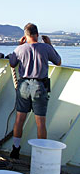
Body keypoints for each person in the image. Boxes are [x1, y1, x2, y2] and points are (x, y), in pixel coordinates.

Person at [9, 23, 61, 159]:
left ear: (25, 36)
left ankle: (15, 149)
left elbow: (12, 63)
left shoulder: (20, 49)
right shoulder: (45, 48)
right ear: (37, 35)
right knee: (40, 122)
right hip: (39, 86)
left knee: (19, 119)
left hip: (23, 86)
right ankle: (41, 152)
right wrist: (50, 45)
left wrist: (20, 45)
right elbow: (58, 61)